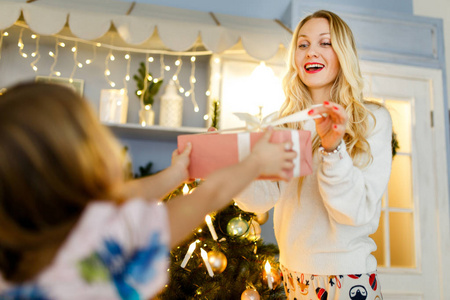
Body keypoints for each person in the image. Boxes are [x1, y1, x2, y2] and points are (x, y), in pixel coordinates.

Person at [0, 82, 297, 300]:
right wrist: (256, 162)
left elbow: (121, 196)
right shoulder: (105, 239)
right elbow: (206, 198)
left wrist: (175, 175)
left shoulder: (18, 245)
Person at [233, 10, 392, 300]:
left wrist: (333, 149)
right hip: (292, 277)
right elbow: (261, 198)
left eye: (325, 43)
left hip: (348, 279)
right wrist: (229, 165)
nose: (311, 52)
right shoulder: (281, 122)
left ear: (343, 53)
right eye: (303, 45)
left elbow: (354, 213)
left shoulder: (372, 120)